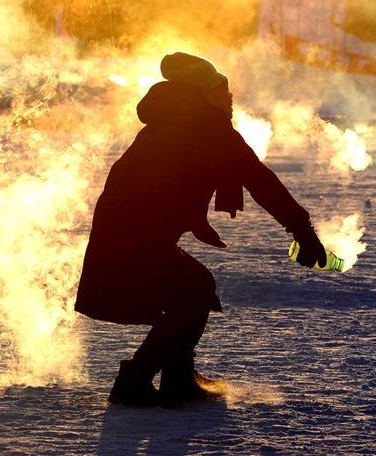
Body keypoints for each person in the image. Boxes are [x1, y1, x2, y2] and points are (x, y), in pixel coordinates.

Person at [75, 52, 327, 407]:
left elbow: (172, 179)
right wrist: (303, 231)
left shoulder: (173, 122)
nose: (230, 96)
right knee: (193, 288)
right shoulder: (208, 128)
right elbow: (261, 182)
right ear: (203, 93)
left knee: (189, 289)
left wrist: (193, 219)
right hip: (133, 236)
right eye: (222, 88)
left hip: (124, 231)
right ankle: (137, 379)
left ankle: (176, 379)